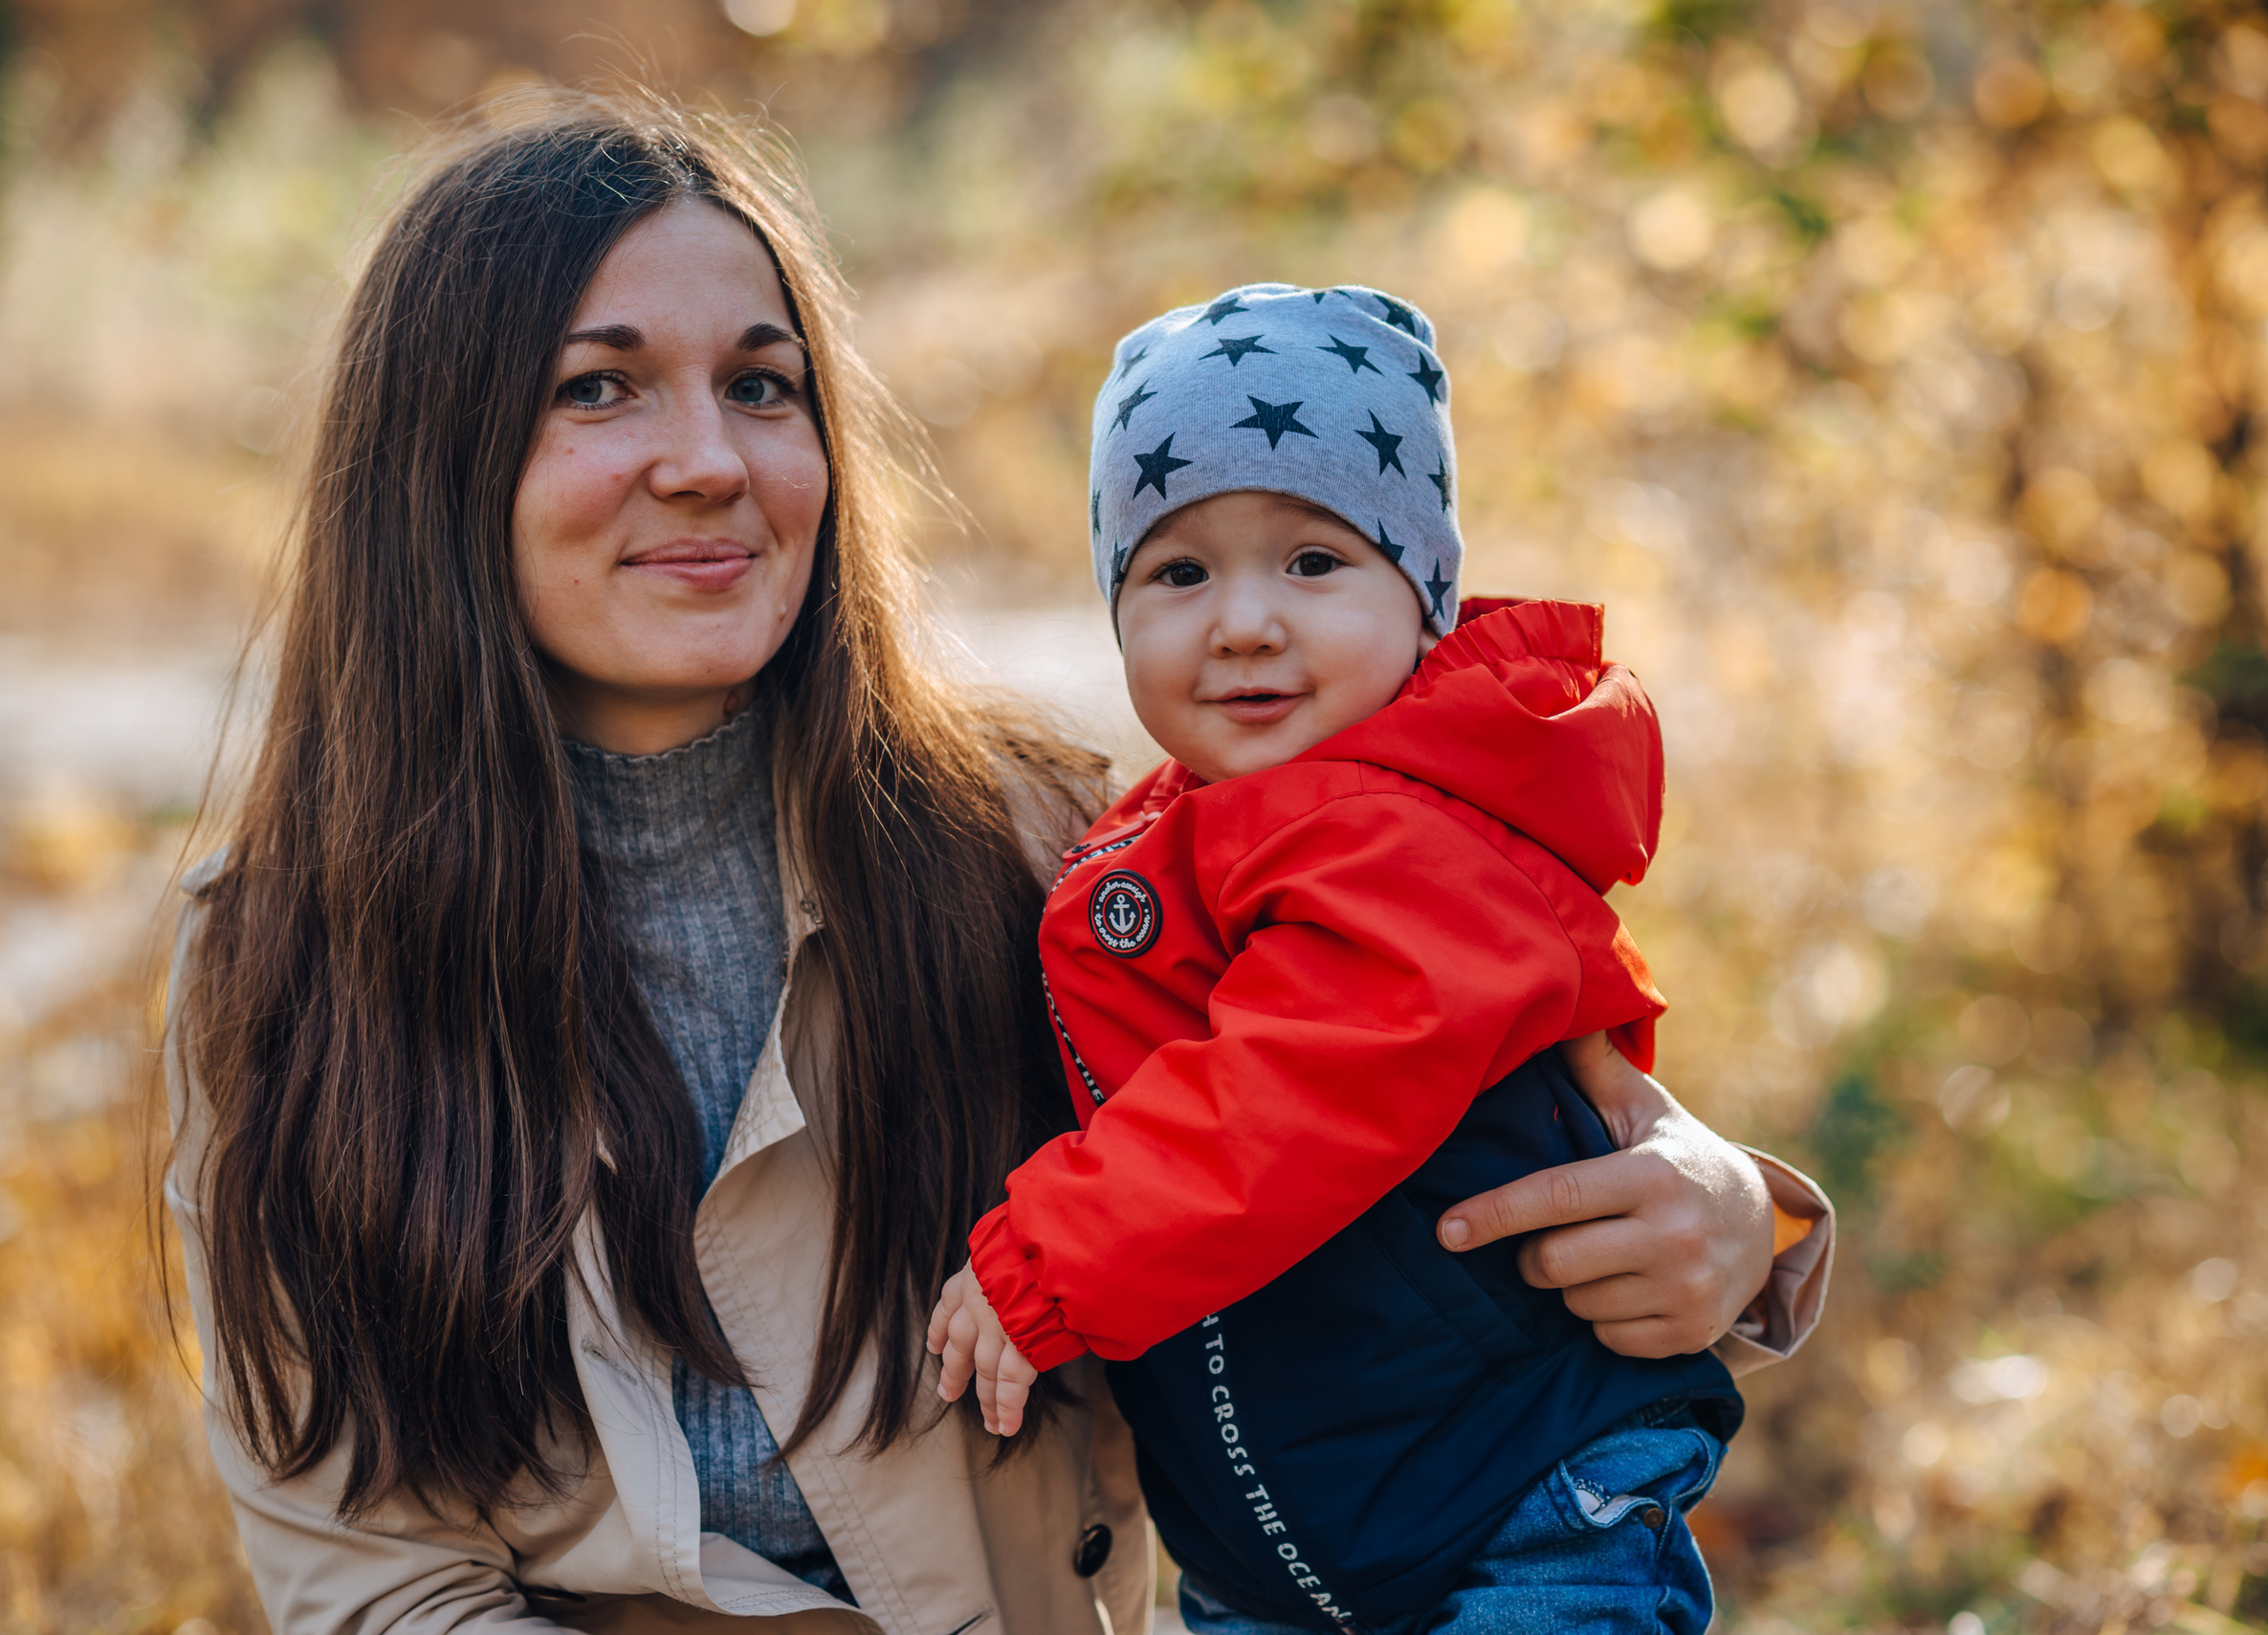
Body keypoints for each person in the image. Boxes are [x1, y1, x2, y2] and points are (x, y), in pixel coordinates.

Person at [161, 99, 1826, 1635]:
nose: (711, 459)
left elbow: (1407, 1059)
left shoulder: (1039, 850)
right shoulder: (285, 963)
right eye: (599, 386)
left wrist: (1742, 1214)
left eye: (761, 383)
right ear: (440, 464)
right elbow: (375, 1577)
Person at [929, 285, 1827, 1634]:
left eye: (1313, 562)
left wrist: (1051, 1250)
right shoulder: (1175, 835)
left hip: (1517, 1501)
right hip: (1294, 1535)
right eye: (1177, 572)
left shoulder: (1402, 831)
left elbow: (1306, 1078)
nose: (1241, 621)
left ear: (1424, 599)